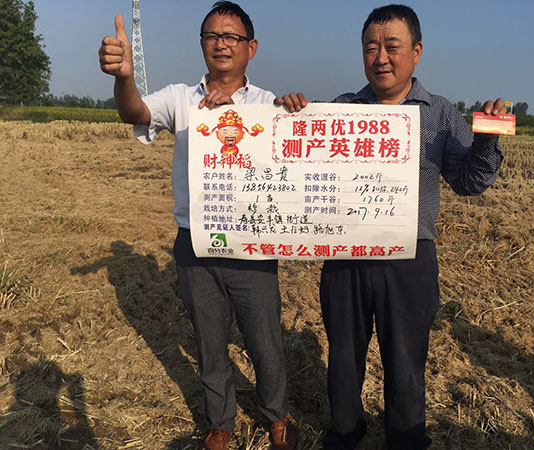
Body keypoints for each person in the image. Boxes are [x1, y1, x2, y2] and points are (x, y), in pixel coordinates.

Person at [282, 4, 506, 450]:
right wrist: (288, 115)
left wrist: (485, 142)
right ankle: (345, 433)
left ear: (416, 52)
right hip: (345, 256)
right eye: (371, 47)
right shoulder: (342, 110)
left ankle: (406, 438)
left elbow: (469, 182)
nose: (381, 58)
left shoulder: (439, 114)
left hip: (410, 257)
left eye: (392, 47)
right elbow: (296, 166)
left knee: (406, 359)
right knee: (343, 356)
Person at [98, 2, 298, 450]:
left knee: (264, 338)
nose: (221, 43)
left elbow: (295, 158)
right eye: (212, 35)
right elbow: (134, 113)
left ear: (251, 47)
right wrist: (124, 78)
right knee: (209, 340)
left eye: (232, 36)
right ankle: (219, 421)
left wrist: (296, 111)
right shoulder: (179, 98)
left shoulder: (267, 104)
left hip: (251, 242)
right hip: (195, 242)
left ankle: (277, 414)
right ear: (202, 44)